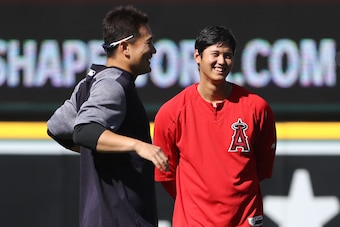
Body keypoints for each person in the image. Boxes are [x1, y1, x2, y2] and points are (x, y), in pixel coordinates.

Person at [47, 5, 169, 227]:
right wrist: (137, 146)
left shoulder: (90, 82)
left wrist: (106, 152)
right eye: (148, 42)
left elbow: (57, 128)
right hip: (121, 219)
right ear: (125, 47)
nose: (154, 50)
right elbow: (84, 131)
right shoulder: (113, 84)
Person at [153, 25, 277, 227]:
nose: (221, 61)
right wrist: (198, 205)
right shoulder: (171, 112)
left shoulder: (257, 108)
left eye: (228, 55)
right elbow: (167, 175)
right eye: (215, 54)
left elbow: (261, 169)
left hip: (244, 221)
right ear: (197, 56)